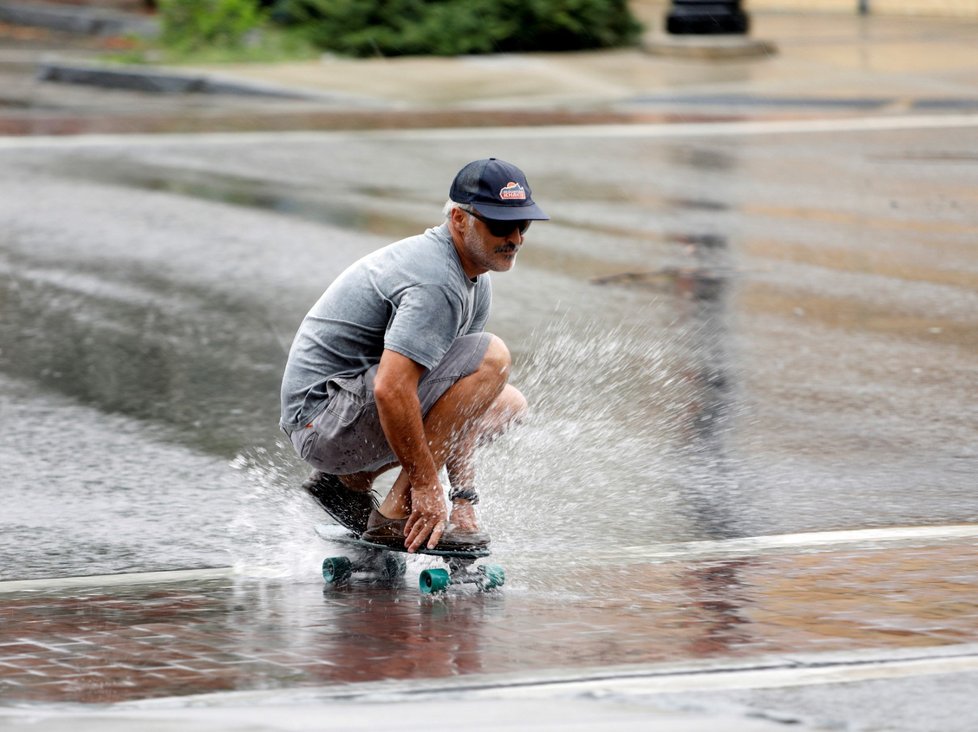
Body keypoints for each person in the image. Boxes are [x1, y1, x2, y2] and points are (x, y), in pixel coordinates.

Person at [279, 158, 548, 553]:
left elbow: (464, 403)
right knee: (493, 358)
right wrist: (425, 488)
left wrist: (463, 499)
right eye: (500, 226)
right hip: (320, 424)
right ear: (459, 218)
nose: (515, 238)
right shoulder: (434, 280)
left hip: (344, 417)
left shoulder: (474, 277)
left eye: (522, 225)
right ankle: (396, 511)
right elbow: (391, 388)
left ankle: (347, 486)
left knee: (506, 403)